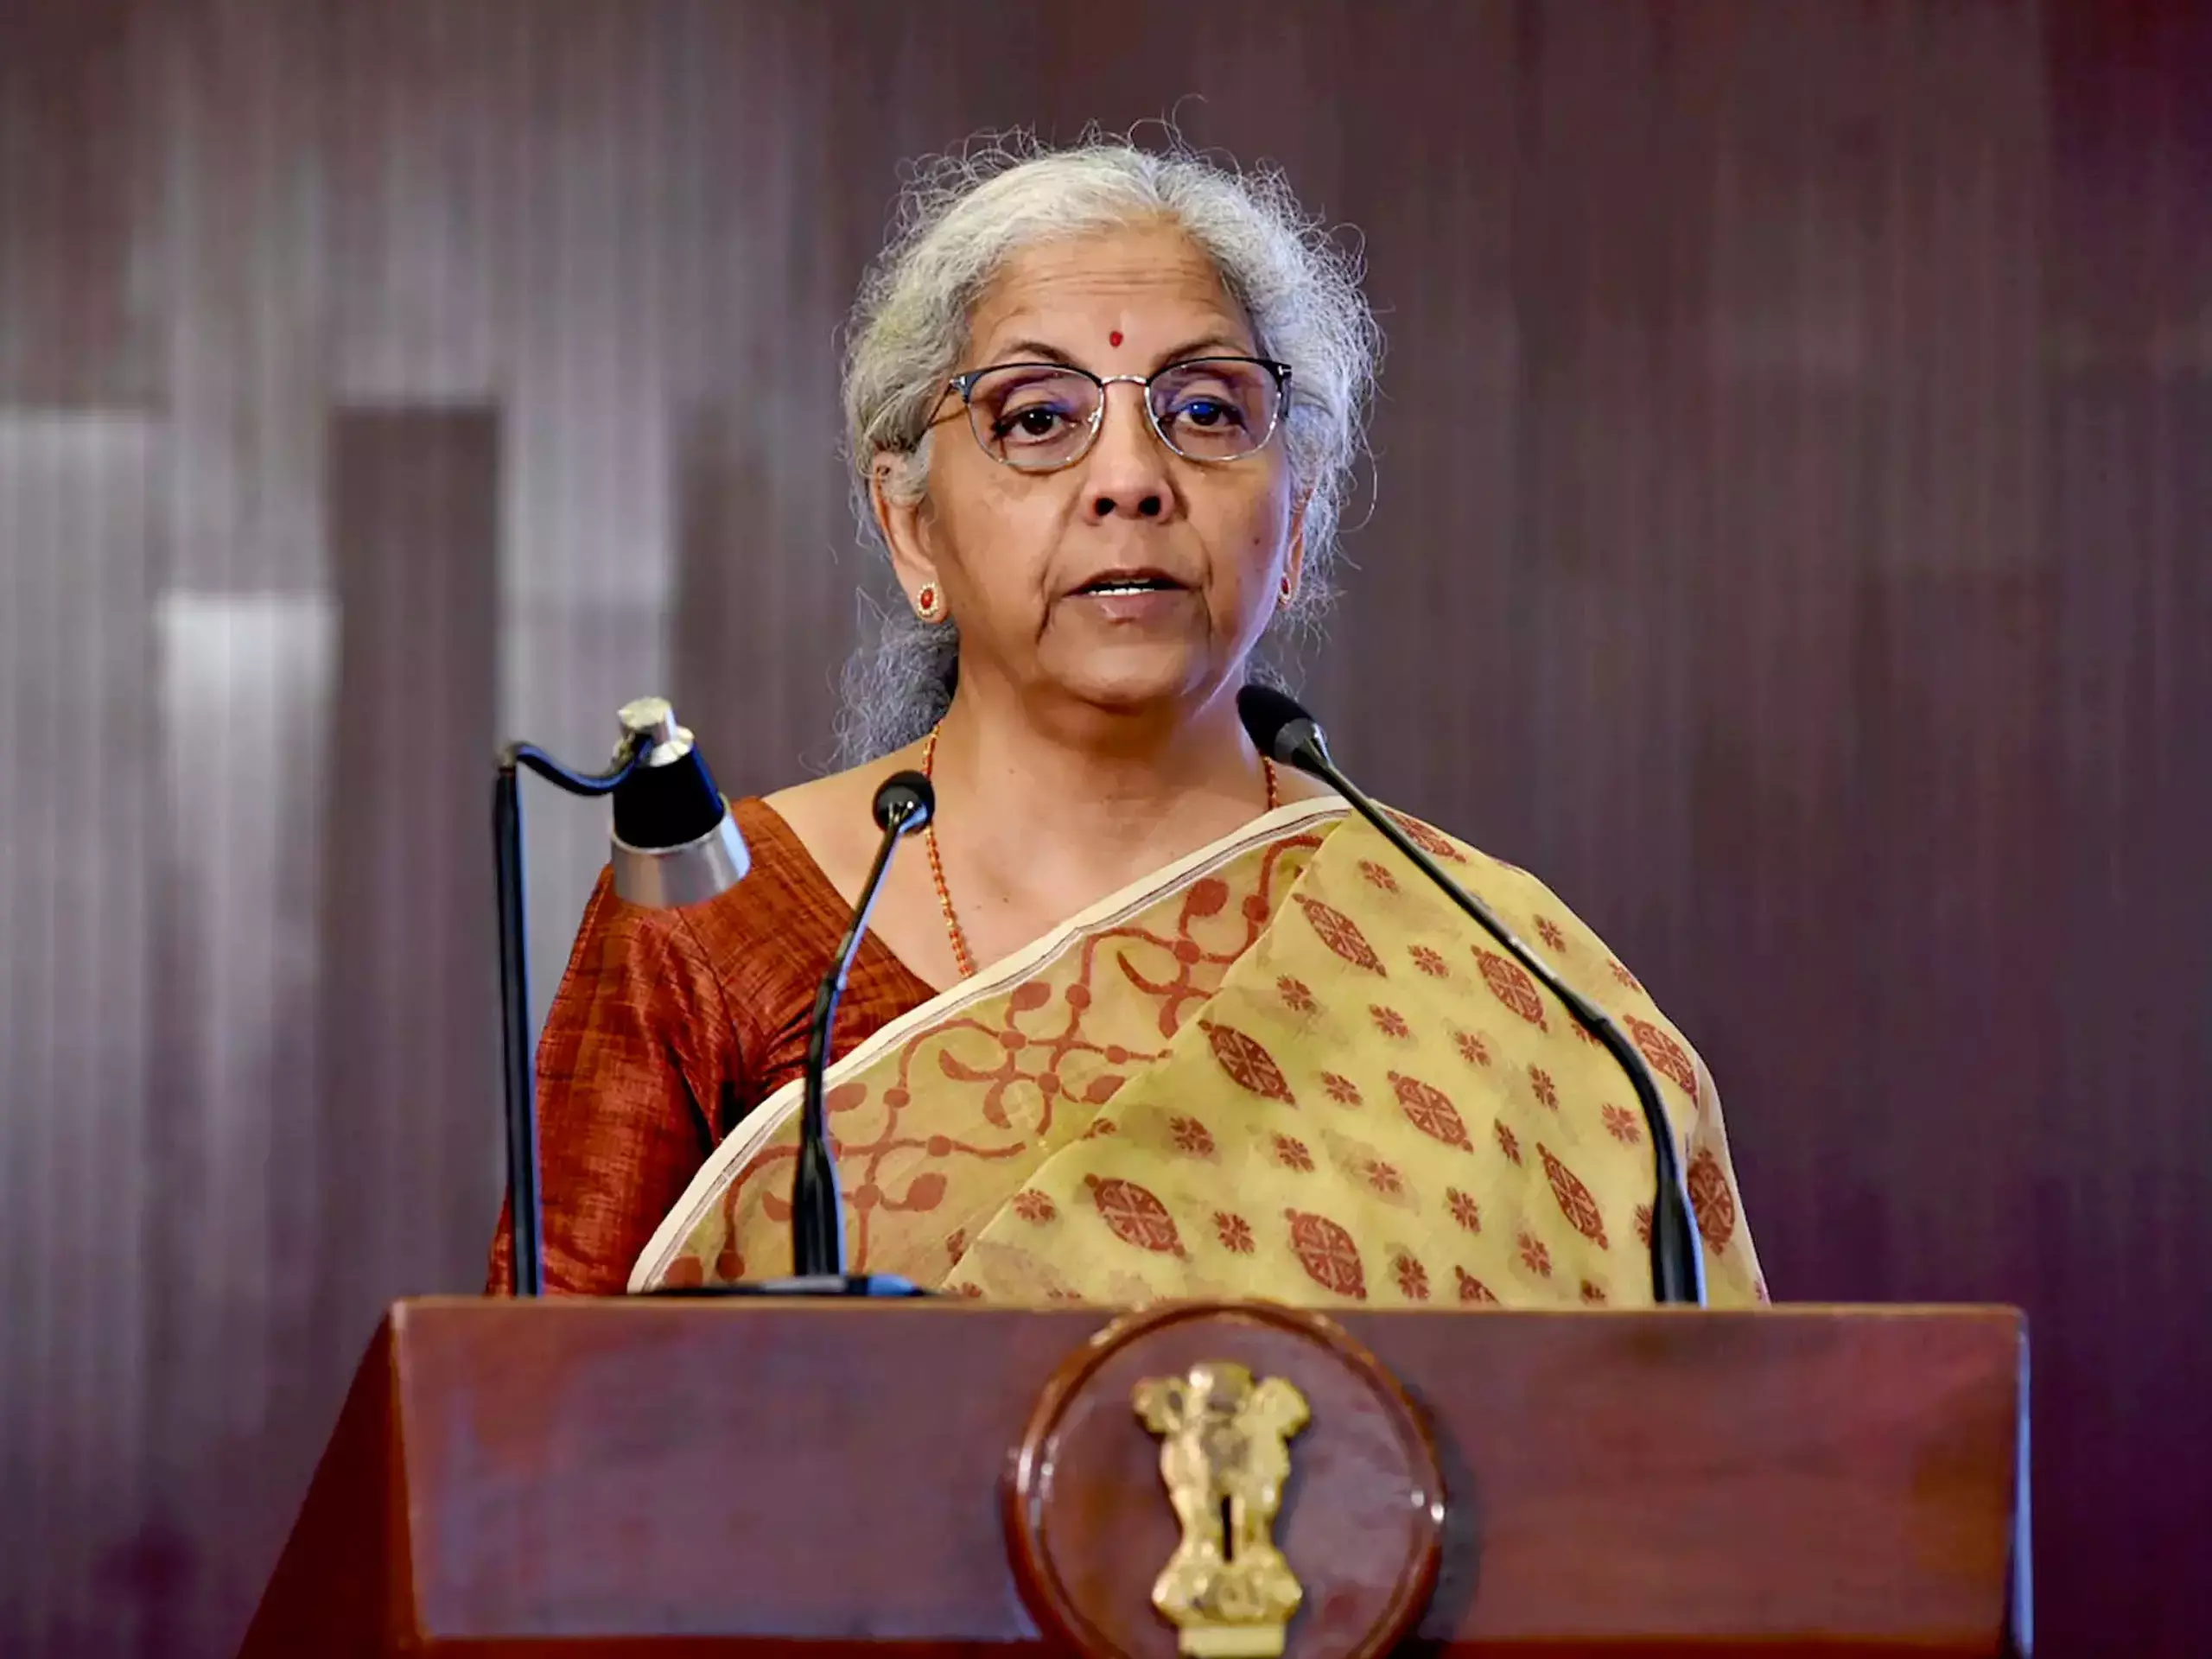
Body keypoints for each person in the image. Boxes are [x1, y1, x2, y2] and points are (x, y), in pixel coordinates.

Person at [488, 137, 1765, 1308]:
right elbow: (519, 1424)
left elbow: (1690, 1446)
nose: (1130, 480)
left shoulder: (1503, 977)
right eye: (1038, 419)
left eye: (1206, 412)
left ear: (1298, 515)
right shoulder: (724, 924)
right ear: (912, 527)